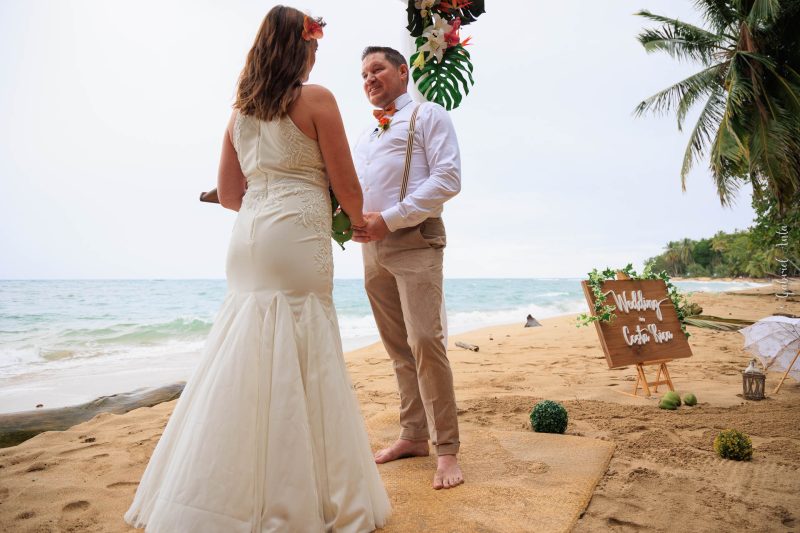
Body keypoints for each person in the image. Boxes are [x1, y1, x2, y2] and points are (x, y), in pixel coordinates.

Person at [124, 7, 390, 532]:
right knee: (304, 351)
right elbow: (346, 182)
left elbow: (228, 195)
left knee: (243, 351)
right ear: (300, 48)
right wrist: (359, 222)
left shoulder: (239, 113)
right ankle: (302, 498)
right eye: (314, 47)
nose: (316, 57)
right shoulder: (316, 100)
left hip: (247, 240)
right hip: (294, 235)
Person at [352, 46, 463, 490]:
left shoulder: (429, 114)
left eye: (377, 69)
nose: (369, 79)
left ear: (402, 72)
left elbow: (448, 179)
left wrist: (391, 219)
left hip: (414, 239)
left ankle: (448, 450)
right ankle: (414, 436)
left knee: (425, 342)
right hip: (370, 248)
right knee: (398, 347)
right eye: (363, 74)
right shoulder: (364, 134)